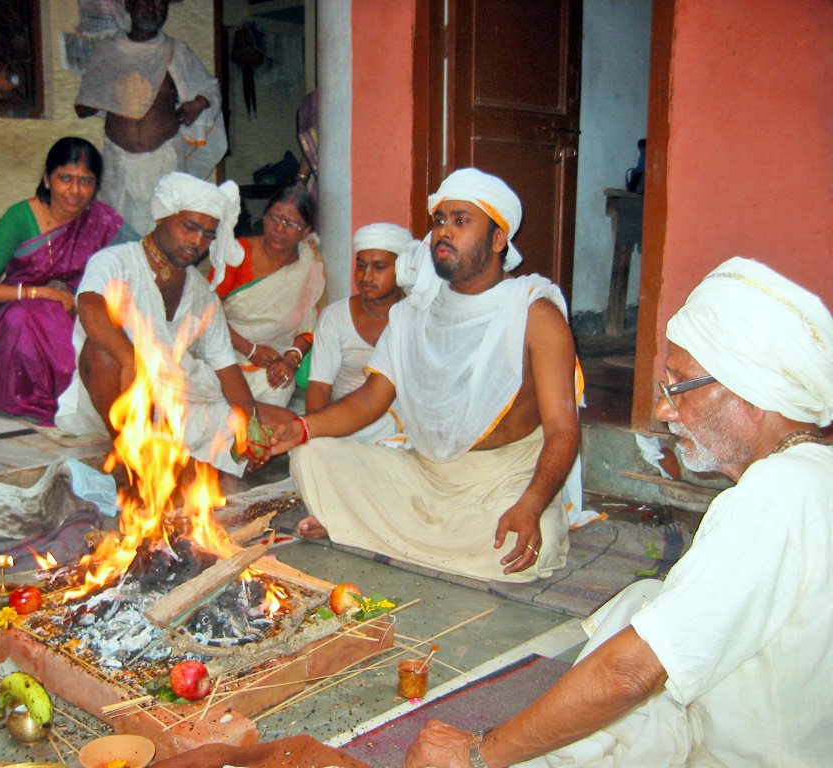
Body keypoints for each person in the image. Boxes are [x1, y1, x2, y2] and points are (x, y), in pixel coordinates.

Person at [405, 257, 833, 768]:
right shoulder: (809, 474)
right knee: (644, 604)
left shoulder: (775, 497)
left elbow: (629, 674)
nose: (664, 411)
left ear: (751, 393)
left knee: (626, 664)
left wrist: (479, 754)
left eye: (679, 387)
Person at [270, 168, 582, 583]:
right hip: (424, 473)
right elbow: (370, 399)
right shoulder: (412, 314)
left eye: (461, 221)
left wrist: (532, 503)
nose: (444, 233)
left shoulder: (534, 315)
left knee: (512, 545)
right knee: (311, 454)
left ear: (497, 239)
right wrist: (302, 428)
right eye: (439, 221)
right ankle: (368, 525)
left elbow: (563, 430)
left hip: (503, 480)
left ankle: (363, 526)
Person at [55, 172, 288, 476]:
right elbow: (89, 307)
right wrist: (130, 360)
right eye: (189, 227)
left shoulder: (201, 293)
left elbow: (226, 369)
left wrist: (250, 427)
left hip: (180, 401)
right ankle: (135, 462)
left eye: (208, 235)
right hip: (116, 397)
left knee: (285, 423)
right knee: (102, 353)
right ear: (163, 217)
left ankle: (187, 464)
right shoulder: (115, 261)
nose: (197, 242)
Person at [0, 137, 137, 425]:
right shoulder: (19, 217)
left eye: (86, 181)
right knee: (30, 315)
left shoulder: (102, 219)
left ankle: (101, 394)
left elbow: (138, 260)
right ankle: (49, 397)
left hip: (78, 311)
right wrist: (41, 293)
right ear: (47, 179)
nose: (74, 190)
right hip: (15, 318)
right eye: (65, 178)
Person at [74, 0, 226, 235]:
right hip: (119, 164)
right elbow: (82, 107)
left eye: (160, 3)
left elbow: (210, 88)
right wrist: (106, 96)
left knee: (168, 235)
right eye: (146, 1)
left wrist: (199, 103)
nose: (153, 8)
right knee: (117, 238)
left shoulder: (176, 52)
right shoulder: (108, 51)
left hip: (164, 161)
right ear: (129, 6)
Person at [210, 186, 325, 408]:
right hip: (222, 353)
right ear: (264, 217)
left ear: (305, 230)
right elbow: (207, 311)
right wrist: (250, 350)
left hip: (271, 363)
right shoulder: (236, 253)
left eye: (290, 224)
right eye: (274, 218)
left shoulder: (309, 265)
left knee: (278, 387)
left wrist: (290, 361)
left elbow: (309, 326)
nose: (279, 228)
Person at [306, 223, 418, 445]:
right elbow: (319, 387)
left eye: (379, 267)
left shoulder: (418, 315)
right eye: (361, 265)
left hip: (402, 426)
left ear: (402, 269)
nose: (366, 276)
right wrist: (318, 435)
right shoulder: (335, 317)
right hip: (346, 424)